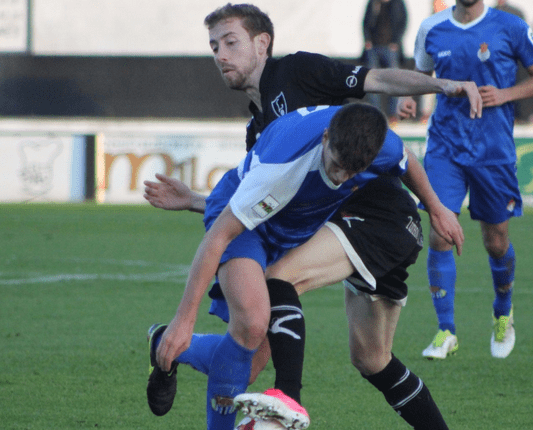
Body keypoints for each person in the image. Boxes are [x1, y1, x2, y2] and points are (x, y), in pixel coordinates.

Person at [144, 3, 481, 429]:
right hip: (291, 227)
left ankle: (198, 356)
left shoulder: (299, 73)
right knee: (266, 344)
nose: (221, 54)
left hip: (371, 218)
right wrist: (197, 204)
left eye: (230, 42)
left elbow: (378, 86)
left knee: (261, 329)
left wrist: (442, 88)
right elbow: (247, 204)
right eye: (214, 46)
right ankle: (268, 387)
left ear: (262, 43)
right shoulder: (266, 137)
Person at [397, 0, 533, 360]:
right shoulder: (432, 28)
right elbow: (421, 76)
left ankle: (503, 312)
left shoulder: (509, 26)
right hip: (445, 148)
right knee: (439, 233)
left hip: (493, 151)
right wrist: (408, 98)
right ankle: (446, 330)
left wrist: (505, 94)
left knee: (495, 242)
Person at [362, 0, 408, 122]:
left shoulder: (397, 3)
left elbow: (403, 22)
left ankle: (393, 114)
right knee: (372, 81)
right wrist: (367, 41)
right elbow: (366, 22)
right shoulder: (373, 3)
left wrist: (396, 41)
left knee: (395, 80)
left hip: (390, 48)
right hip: (374, 47)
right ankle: (375, 113)